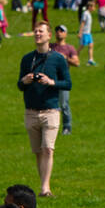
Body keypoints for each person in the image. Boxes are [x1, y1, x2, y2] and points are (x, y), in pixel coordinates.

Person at [18, 22, 72, 197]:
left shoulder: (58, 59)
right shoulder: (27, 59)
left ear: (49, 35)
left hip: (51, 110)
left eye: (41, 31)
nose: (37, 34)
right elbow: (19, 85)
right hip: (31, 111)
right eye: (35, 31)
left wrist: (51, 82)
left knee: (48, 148)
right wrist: (25, 81)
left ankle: (45, 188)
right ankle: (43, 185)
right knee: (38, 152)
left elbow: (68, 83)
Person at [50, 25, 80, 135]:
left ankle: (67, 127)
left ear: (66, 34)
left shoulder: (70, 48)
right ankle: (51, 127)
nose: (59, 32)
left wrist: (65, 58)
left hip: (63, 79)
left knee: (64, 104)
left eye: (62, 31)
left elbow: (77, 63)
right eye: (57, 30)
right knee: (50, 104)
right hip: (50, 79)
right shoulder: (50, 46)